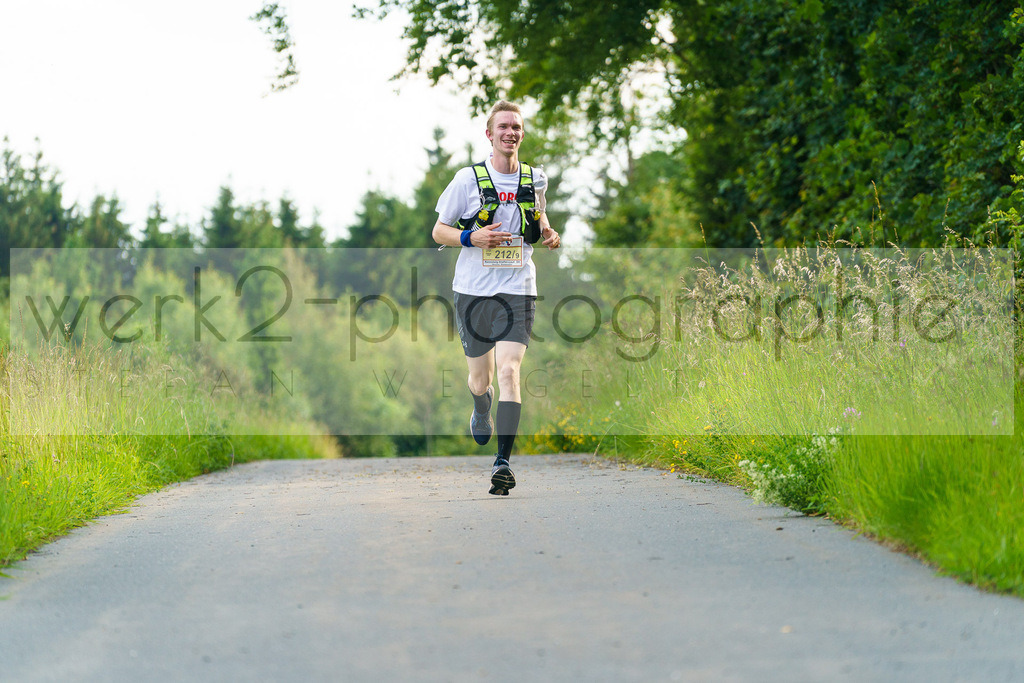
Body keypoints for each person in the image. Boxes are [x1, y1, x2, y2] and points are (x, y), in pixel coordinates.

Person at [432, 101, 561, 495]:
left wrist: (551, 234)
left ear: (521, 133)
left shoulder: (534, 179)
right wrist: (473, 237)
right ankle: (480, 407)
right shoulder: (467, 180)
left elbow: (540, 221)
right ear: (490, 134)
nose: (511, 133)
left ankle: (502, 463)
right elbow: (439, 231)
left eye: (516, 127)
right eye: (503, 127)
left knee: (509, 372)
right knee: (480, 378)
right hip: (473, 291)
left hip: (518, 288)